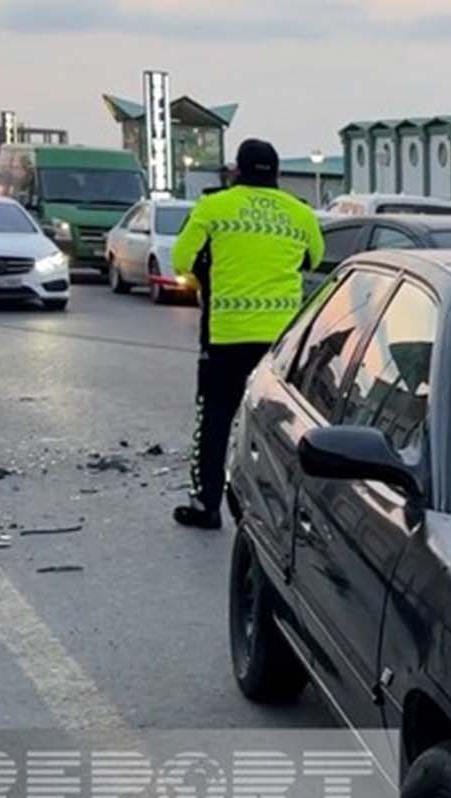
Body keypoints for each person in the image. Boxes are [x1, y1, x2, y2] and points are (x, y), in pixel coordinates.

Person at [170, 139, 324, 530]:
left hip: (225, 336)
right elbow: (315, 257)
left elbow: (181, 260)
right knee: (281, 426)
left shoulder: (214, 207)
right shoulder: (300, 213)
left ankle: (207, 504)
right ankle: (282, 511)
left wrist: (207, 278)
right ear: (277, 173)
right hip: (281, 342)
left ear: (237, 170)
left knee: (215, 418)